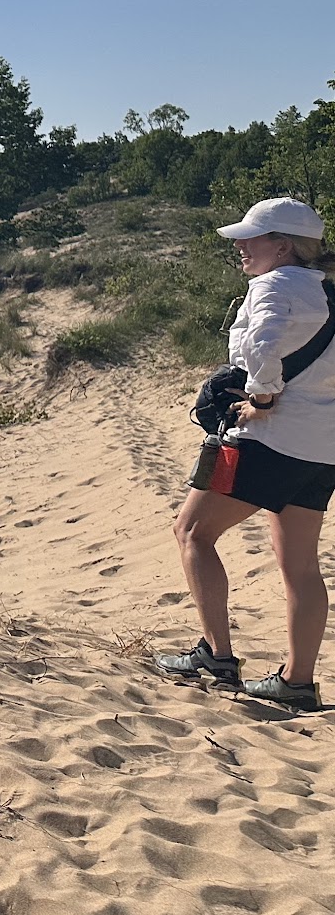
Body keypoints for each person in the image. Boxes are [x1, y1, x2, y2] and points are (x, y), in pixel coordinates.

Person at [156, 196, 333, 711]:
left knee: (191, 531)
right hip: (323, 448)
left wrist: (260, 397)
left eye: (249, 238)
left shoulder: (274, 286)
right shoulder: (327, 293)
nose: (240, 247)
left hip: (271, 440)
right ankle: (298, 683)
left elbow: (261, 346)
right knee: (300, 566)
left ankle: (216, 654)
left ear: (281, 245)